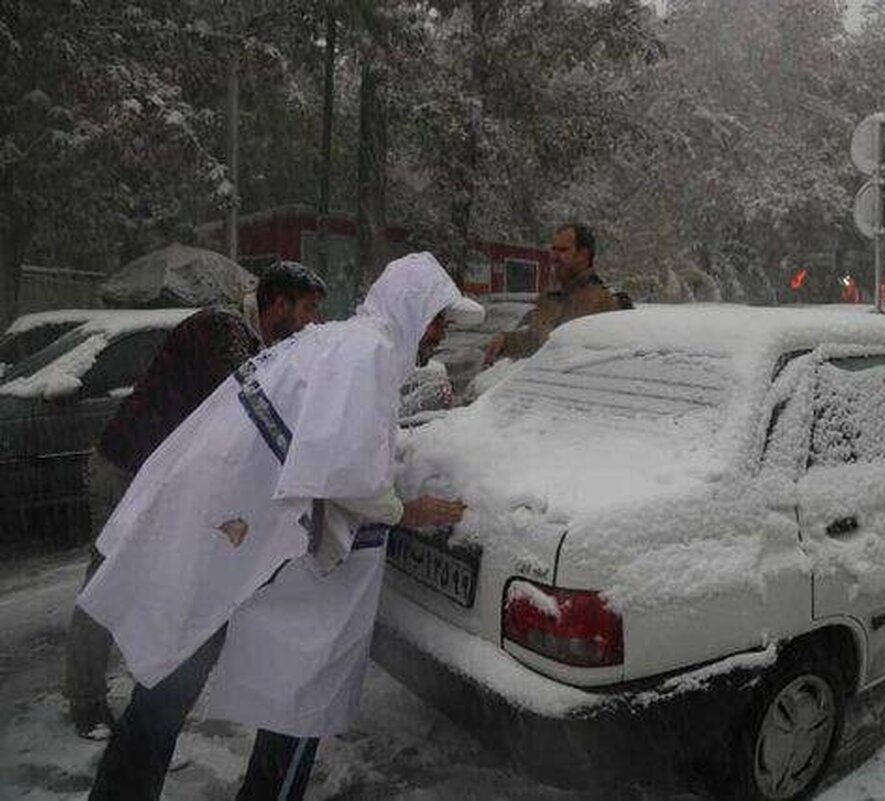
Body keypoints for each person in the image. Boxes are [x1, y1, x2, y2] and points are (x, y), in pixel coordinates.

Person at [76, 252, 481, 800]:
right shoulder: (368, 352)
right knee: (286, 691)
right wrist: (408, 510)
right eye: (437, 319)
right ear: (412, 308)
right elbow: (345, 471)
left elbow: (328, 449)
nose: (440, 334)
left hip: (228, 523)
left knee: (175, 669)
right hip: (233, 526)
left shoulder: (341, 343)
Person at [66, 261, 327, 740]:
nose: (313, 322)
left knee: (157, 576)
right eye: (308, 309)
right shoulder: (221, 329)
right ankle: (85, 701)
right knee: (107, 576)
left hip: (157, 476)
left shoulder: (251, 341)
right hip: (126, 465)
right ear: (279, 305)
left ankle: (150, 677)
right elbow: (249, 403)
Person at [483, 222, 624, 365]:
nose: (554, 256)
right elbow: (537, 343)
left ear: (583, 255)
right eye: (553, 249)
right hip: (545, 384)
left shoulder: (609, 302)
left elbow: (620, 361)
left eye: (563, 250)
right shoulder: (549, 299)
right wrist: (506, 342)